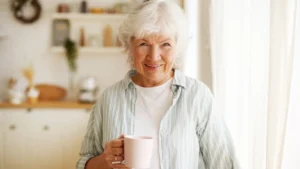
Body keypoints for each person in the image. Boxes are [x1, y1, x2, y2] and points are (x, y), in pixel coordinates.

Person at [77, 0, 239, 169]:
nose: (154, 56)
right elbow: (83, 163)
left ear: (178, 47)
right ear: (129, 46)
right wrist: (105, 160)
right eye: (143, 44)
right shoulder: (109, 98)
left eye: (165, 44)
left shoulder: (198, 96)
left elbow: (225, 164)